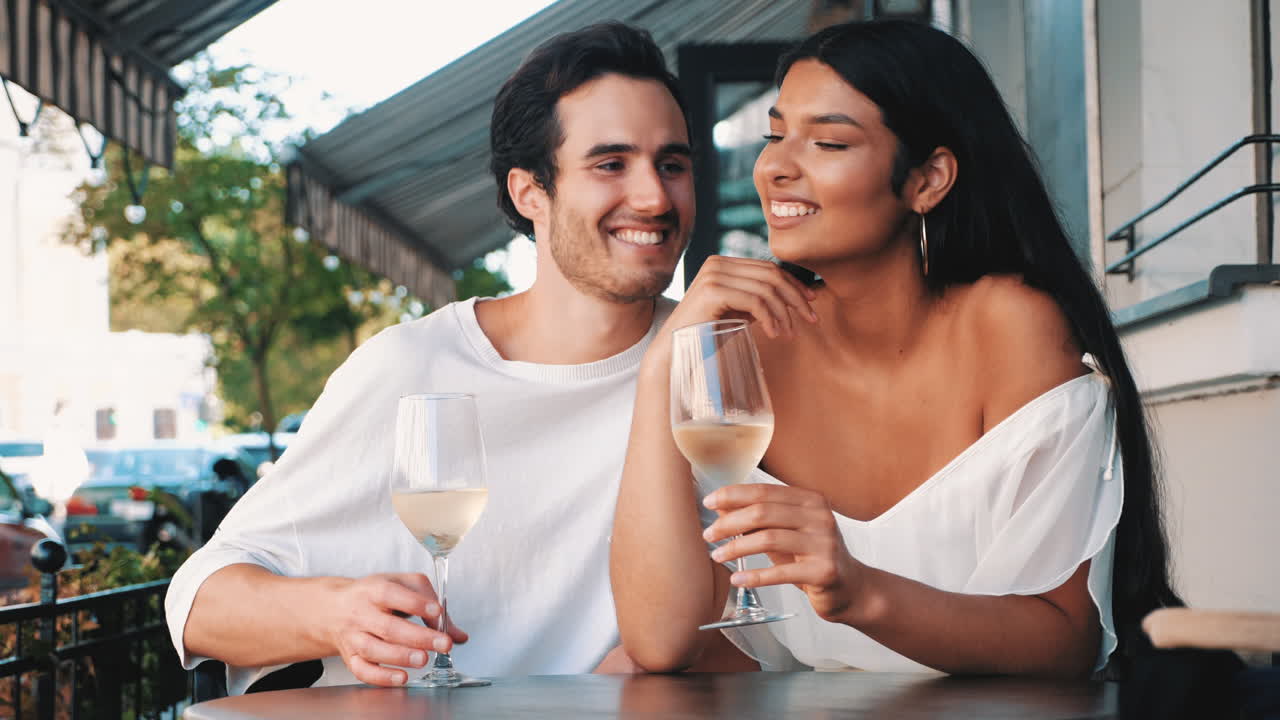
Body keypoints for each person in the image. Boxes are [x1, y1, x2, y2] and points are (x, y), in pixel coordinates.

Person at [166, 22, 748, 694]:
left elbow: (758, 631)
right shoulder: (413, 367)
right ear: (530, 192)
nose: (653, 196)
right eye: (610, 164)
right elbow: (198, 602)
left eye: (672, 164)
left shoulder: (719, 368)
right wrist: (334, 614)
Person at [611, 19, 1181, 679]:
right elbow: (660, 642)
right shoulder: (753, 348)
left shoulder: (1011, 327)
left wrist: (860, 591)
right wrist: (662, 368)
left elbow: (1065, 642)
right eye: (774, 135)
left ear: (928, 179)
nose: (776, 168)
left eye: (826, 141)